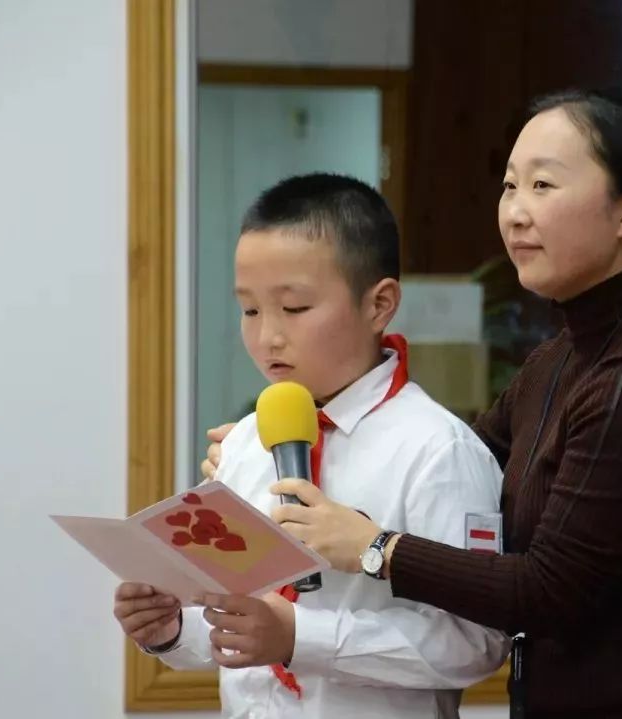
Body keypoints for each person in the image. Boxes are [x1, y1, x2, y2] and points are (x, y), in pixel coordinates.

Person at [204, 91, 622, 719]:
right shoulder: (559, 358)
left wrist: (375, 547)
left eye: (543, 185)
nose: (516, 212)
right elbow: (458, 460)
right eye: (510, 185)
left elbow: (551, 591)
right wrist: (264, 451)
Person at [114, 173, 510, 719]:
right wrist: (173, 627)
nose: (267, 336)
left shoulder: (438, 450)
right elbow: (237, 625)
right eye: (250, 310)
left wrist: (302, 636)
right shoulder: (246, 442)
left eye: (294, 309)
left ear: (380, 304)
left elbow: (476, 643)